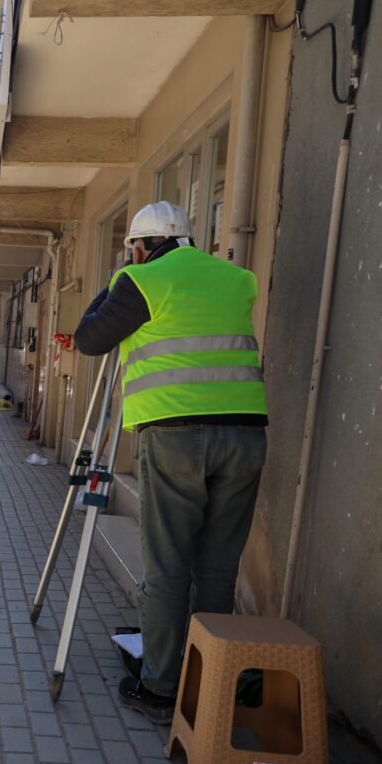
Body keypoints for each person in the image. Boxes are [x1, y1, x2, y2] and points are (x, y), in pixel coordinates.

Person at [73, 201, 268, 725]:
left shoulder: (141, 280)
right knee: (218, 570)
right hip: (247, 435)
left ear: (141, 246)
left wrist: (121, 276)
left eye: (132, 249)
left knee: (167, 566)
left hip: (177, 434)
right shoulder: (237, 278)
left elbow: (90, 338)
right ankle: (211, 685)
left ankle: (160, 689)